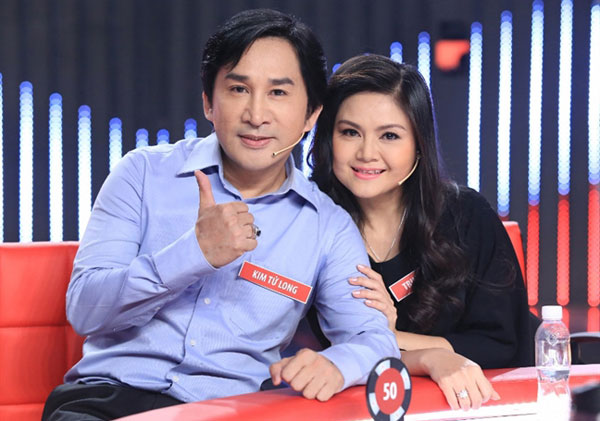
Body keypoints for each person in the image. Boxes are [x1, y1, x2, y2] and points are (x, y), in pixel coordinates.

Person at [42, 10, 399, 420]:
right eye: (238, 89)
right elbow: (85, 310)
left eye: (278, 92)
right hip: (105, 402)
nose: (256, 115)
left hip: (227, 412)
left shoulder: (327, 226)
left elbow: (374, 339)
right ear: (209, 103)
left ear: (311, 115)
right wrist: (193, 253)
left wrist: (337, 365)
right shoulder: (142, 173)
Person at [310, 54, 534, 411]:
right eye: (350, 132)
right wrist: (420, 355)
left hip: (483, 405)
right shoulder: (310, 225)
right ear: (327, 138)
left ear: (418, 145)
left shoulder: (466, 216)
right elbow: (322, 354)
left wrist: (391, 337)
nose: (367, 153)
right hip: (356, 409)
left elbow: (500, 343)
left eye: (389, 135)